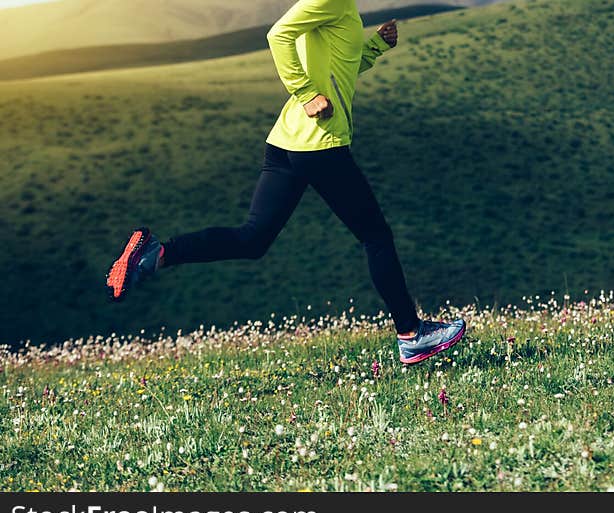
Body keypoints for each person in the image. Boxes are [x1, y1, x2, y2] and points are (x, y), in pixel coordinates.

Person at [105, 0, 465, 365]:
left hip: (288, 142)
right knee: (375, 236)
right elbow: (277, 35)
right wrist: (306, 94)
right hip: (318, 143)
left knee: (253, 238)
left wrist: (375, 46)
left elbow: (337, 69)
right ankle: (410, 333)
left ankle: (155, 255)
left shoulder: (341, 6)